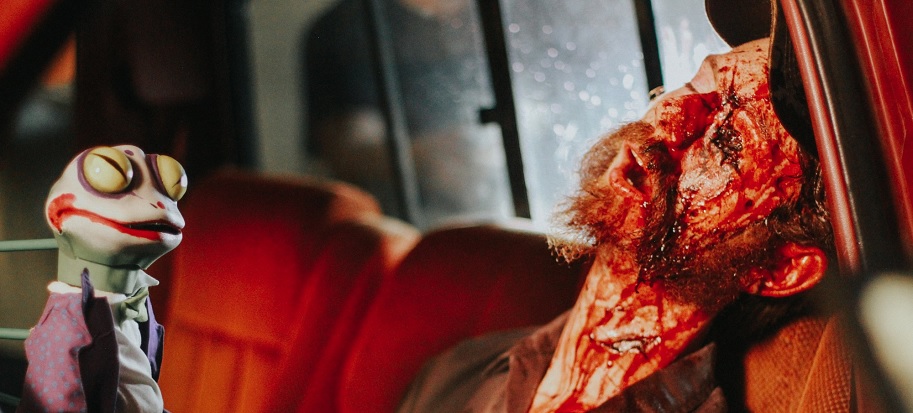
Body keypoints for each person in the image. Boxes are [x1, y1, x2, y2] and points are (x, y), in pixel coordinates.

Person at [396, 0, 836, 411]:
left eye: (727, 142)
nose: (668, 119)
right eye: (698, 84)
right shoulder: (464, 367)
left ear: (781, 267)